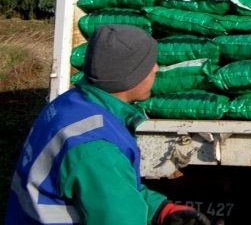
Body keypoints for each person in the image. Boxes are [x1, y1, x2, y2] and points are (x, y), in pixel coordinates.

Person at [6, 25, 212, 225]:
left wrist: (160, 209)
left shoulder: (69, 104)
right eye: (149, 64)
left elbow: (109, 189)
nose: (156, 68)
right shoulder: (97, 148)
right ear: (130, 75)